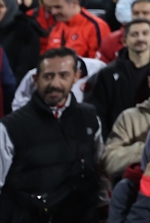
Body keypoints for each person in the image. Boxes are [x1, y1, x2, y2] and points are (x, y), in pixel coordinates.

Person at [0, 48, 105, 223]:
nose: (55, 83)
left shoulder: (89, 117)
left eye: (63, 75)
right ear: (35, 79)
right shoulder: (10, 127)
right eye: (48, 76)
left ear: (76, 76)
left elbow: (99, 166)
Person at [84, 17, 150, 136]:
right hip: (118, 139)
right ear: (124, 41)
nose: (140, 38)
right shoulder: (107, 74)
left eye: (145, 33)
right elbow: (97, 111)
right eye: (134, 34)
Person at [45, 0, 111, 60]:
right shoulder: (58, 24)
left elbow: (99, 63)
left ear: (74, 3)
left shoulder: (95, 26)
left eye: (58, 7)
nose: (53, 12)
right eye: (51, 8)